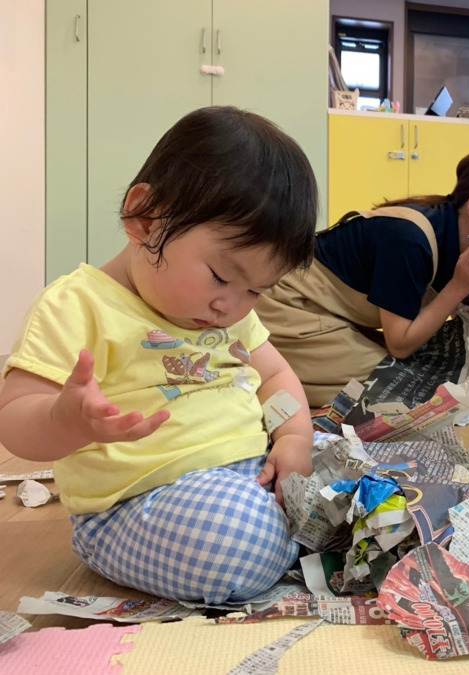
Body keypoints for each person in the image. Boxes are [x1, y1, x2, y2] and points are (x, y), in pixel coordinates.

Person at [0, 106, 319, 603]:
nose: (229, 305)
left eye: (256, 290)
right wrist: (67, 420)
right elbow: (14, 418)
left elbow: (276, 376)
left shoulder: (229, 312)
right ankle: (294, 540)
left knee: (367, 473)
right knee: (238, 540)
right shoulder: (77, 305)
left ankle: (296, 530)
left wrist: (295, 437)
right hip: (140, 504)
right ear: (144, 219)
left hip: (248, 471)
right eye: (220, 277)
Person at [256, 147, 469, 407]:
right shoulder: (411, 239)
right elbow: (400, 344)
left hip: (339, 318)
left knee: (444, 380)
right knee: (400, 390)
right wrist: (459, 286)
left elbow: (464, 352)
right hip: (291, 306)